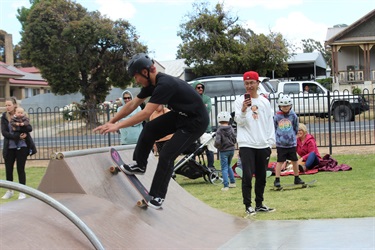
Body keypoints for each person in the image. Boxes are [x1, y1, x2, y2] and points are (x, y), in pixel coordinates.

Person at [93, 53, 209, 209]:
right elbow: (132, 105)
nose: (136, 80)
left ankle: (157, 195)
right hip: (181, 115)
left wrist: (118, 126)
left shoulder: (165, 84)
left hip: (196, 121)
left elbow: (145, 113)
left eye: (136, 76)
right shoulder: (151, 85)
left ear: (146, 72)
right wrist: (111, 121)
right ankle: (140, 164)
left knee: (167, 153)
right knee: (150, 128)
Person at [234, 71, 276, 216]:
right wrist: (244, 110)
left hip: (263, 144)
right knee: (246, 175)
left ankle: (259, 204)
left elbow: (269, 123)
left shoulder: (264, 102)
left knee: (262, 176)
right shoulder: (239, 101)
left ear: (258, 83)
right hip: (247, 144)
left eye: (252, 82)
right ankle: (248, 205)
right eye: (247, 83)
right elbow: (240, 122)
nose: (249, 86)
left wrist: (270, 142)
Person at [1, 97, 36, 200]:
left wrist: (20, 127)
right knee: (8, 169)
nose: (7, 107)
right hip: (9, 147)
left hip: (22, 146)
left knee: (20, 169)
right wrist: (17, 136)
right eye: (6, 105)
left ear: (14, 105)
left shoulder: (22, 115)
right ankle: (10, 191)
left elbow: (29, 128)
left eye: (9, 105)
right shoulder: (4, 117)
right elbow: (4, 133)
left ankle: (22, 192)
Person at [273, 95, 304, 188]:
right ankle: (277, 179)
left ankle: (297, 177)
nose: (285, 108)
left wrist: (292, 137)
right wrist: (279, 137)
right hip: (281, 144)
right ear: (280, 106)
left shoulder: (293, 115)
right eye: (283, 106)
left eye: (287, 106)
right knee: (280, 161)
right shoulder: (277, 116)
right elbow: (274, 127)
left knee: (294, 161)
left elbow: (295, 126)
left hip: (291, 143)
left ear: (290, 106)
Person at [191, 80, 216, 170]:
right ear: (194, 89)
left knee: (209, 148)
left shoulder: (207, 98)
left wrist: (197, 108)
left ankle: (211, 166)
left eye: (202, 87)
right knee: (193, 148)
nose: (201, 89)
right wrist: (201, 107)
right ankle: (192, 166)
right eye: (198, 87)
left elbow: (207, 109)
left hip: (206, 128)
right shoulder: (191, 98)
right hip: (195, 128)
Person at [214, 111, 236, 191]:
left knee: (224, 168)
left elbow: (217, 142)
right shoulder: (231, 128)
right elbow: (234, 138)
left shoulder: (219, 130)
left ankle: (226, 185)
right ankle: (232, 182)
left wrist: (217, 147)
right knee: (229, 165)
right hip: (231, 149)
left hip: (223, 151)